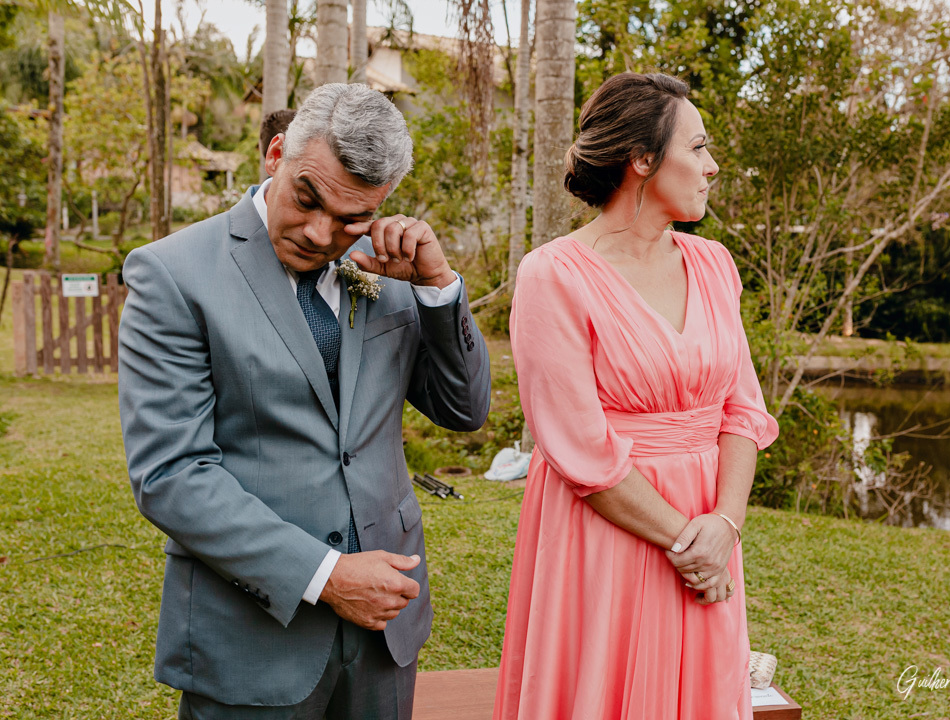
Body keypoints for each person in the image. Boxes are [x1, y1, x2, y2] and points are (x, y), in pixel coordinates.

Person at [119, 83, 491, 719]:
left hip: (384, 637)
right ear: (275, 154)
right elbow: (173, 476)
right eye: (307, 199)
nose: (321, 234)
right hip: (251, 641)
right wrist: (329, 577)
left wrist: (437, 288)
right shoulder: (172, 276)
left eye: (350, 218)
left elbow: (464, 408)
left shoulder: (387, 272)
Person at [492, 72, 779, 720]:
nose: (712, 166)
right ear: (642, 160)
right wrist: (691, 543)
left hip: (709, 535)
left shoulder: (715, 267)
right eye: (698, 147)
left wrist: (723, 530)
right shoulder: (553, 276)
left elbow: (743, 410)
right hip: (609, 539)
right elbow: (580, 449)